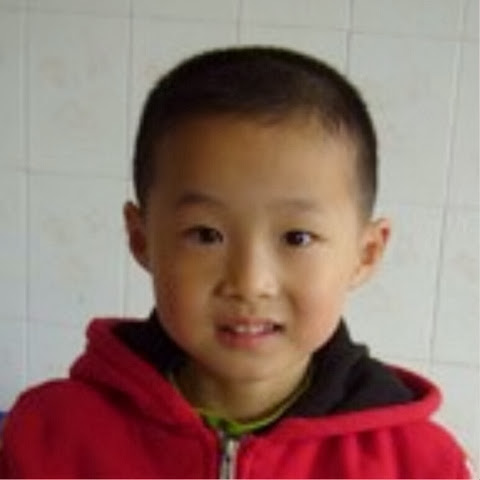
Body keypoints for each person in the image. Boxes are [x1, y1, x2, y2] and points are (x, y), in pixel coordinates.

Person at [0, 46, 471, 478]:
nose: (250, 282)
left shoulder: (421, 464)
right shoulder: (48, 435)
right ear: (142, 240)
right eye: (206, 235)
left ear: (365, 255)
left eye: (297, 237)